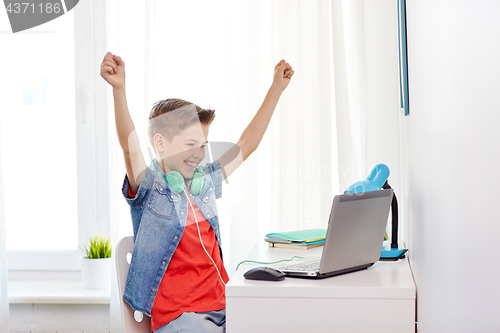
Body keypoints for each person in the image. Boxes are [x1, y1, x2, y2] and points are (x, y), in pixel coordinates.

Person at [100, 52, 294, 332]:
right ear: (161, 143)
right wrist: (119, 89)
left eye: (202, 145)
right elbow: (129, 146)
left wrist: (276, 88)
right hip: (182, 318)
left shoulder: (204, 182)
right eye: (190, 143)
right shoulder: (151, 188)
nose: (199, 154)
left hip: (226, 307)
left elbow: (246, 144)